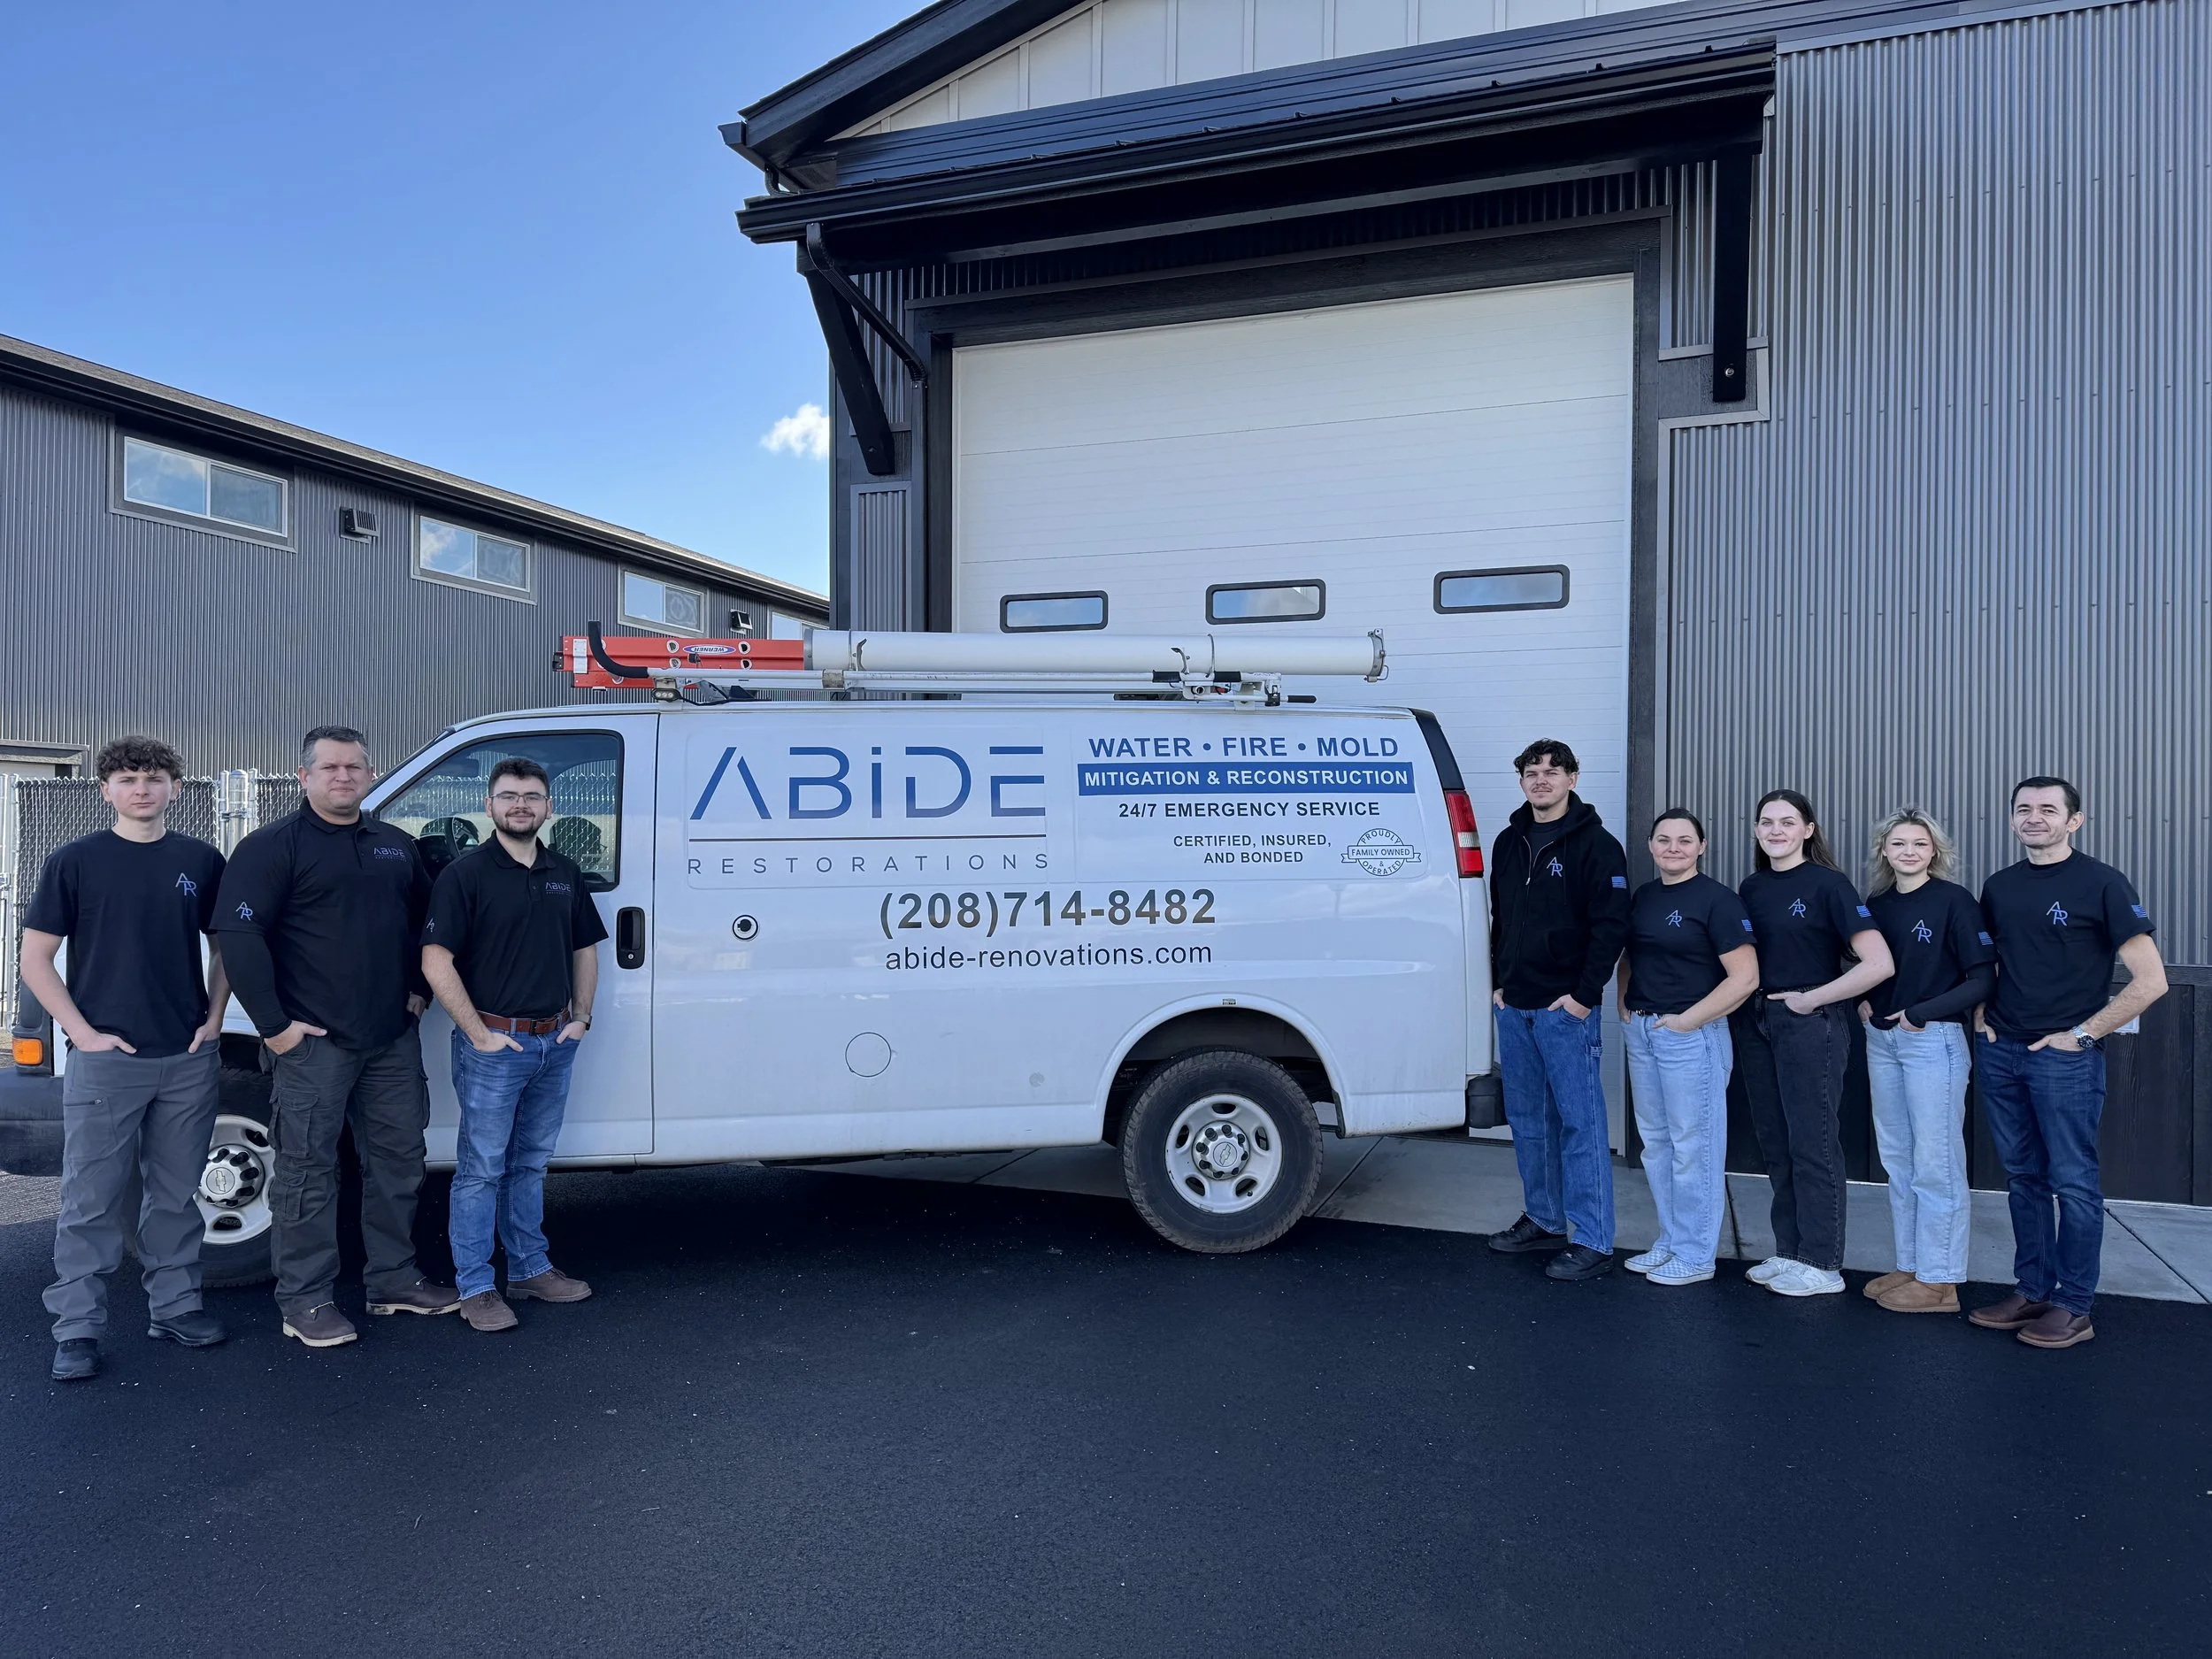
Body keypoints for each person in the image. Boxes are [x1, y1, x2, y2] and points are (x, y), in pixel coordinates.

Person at [216, 726, 458, 1348]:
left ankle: (393, 1281)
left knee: (399, 1163)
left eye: (354, 766)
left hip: (390, 1041)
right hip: (312, 1044)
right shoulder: (270, 848)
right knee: (305, 1172)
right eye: (329, 767)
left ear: (370, 774)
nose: (343, 776)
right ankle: (304, 1299)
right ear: (303, 776)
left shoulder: (393, 847)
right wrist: (274, 1026)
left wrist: (419, 988)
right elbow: (239, 939)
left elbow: (424, 925)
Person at [20, 737, 230, 1381]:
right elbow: (34, 959)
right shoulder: (75, 861)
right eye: (129, 778)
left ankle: (174, 1306)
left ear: (175, 786)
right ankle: (78, 1329)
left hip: (187, 1056)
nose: (143, 788)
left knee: (174, 1197)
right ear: (106, 789)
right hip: (108, 1059)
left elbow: (229, 947)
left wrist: (215, 1018)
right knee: (91, 1200)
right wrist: (82, 1033)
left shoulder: (200, 859)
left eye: (156, 777)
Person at [1969, 777, 2166, 1349]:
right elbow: (1991, 959)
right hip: (2002, 1052)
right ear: (2011, 820)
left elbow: (2150, 980)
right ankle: (2032, 1288)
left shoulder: (2101, 883)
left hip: (2064, 1061)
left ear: (2073, 820)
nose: (2035, 817)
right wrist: (1983, 1013)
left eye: (2048, 809)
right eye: (2024, 809)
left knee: (2074, 1183)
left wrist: (2080, 1034)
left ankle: (2074, 1304)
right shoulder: (1999, 886)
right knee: (2024, 1179)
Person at [419, 758, 607, 1333]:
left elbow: (585, 949)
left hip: (556, 1042)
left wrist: (581, 1018)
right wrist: (479, 1034)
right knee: (481, 1169)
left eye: (532, 795)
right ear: (489, 806)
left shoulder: (564, 872)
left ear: (549, 807)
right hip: (494, 1049)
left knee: (530, 1163)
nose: (520, 804)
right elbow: (434, 959)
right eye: (508, 795)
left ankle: (528, 1268)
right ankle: (476, 1285)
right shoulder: (465, 875)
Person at [1732, 790, 1893, 1298]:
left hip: (1811, 1023)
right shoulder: (1752, 887)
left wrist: (1811, 999)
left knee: (1814, 1142)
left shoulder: (1830, 885)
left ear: (1808, 830)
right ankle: (1791, 1250)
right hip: (1757, 1021)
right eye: (1766, 822)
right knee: (1776, 1141)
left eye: (1787, 822)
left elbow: (1878, 964)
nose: (1775, 831)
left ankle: (1823, 1263)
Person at [1483, 740, 1630, 1282]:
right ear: (1521, 780)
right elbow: (1500, 918)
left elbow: (1611, 927)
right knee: (1528, 1122)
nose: (1541, 780)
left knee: (1580, 1124)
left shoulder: (1596, 846)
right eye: (1531, 772)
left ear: (1573, 778)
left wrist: (1583, 997)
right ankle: (1544, 1219)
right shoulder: (1508, 841)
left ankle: (1593, 1238)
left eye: (1552, 771)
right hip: (1515, 1007)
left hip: (1563, 1011)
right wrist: (1499, 984)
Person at [1856, 810, 1994, 1315]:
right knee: (1899, 1159)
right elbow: (1871, 968)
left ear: (1934, 850)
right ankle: (1912, 1264)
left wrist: (1921, 1013)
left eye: (1919, 843)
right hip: (1883, 1041)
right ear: (1884, 851)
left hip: (1932, 1040)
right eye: (1898, 843)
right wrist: (1863, 1001)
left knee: (1936, 1162)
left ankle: (1941, 1282)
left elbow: (1981, 979)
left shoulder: (1955, 902)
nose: (1909, 851)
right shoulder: (1875, 905)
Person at [1615, 810, 1759, 1287]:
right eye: (1663, 839)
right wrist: (1625, 1005)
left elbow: (1746, 978)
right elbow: (1630, 955)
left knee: (1693, 1147)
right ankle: (1671, 1242)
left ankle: (1697, 1254)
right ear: (1651, 845)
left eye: (1684, 840)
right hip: (1644, 1031)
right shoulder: (1644, 897)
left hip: (1690, 1036)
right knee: (1657, 1144)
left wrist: (1686, 1022)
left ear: (1702, 846)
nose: (1672, 847)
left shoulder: (1718, 900)